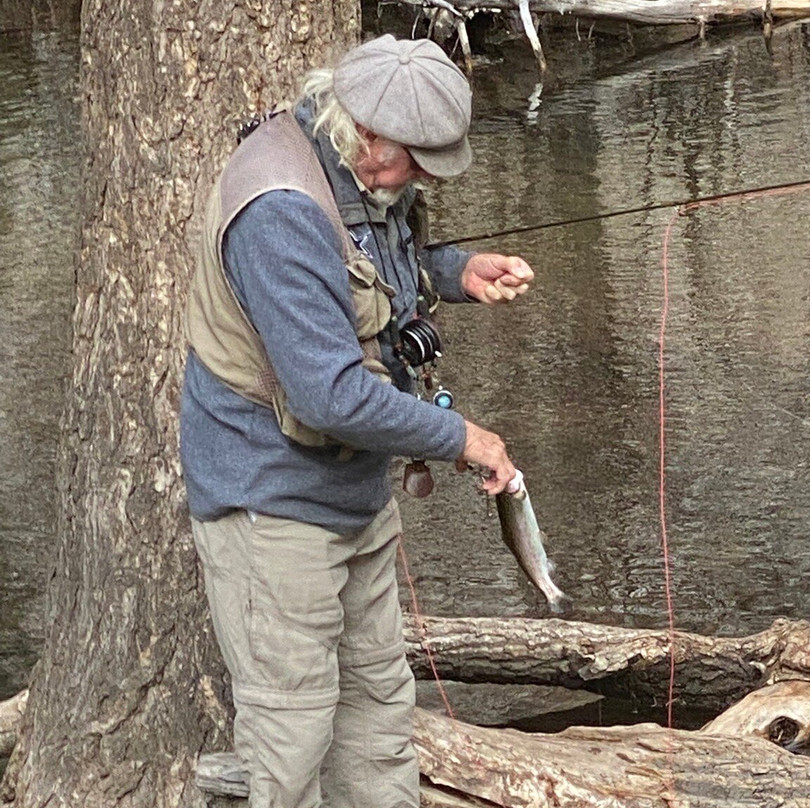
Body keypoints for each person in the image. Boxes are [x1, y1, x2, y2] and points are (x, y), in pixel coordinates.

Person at [180, 34, 533, 808]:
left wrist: (456, 272)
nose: (420, 178)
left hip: (353, 492)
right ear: (367, 133)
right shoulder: (278, 210)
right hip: (270, 502)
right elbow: (331, 396)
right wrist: (463, 439)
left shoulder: (363, 172)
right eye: (416, 159)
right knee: (293, 735)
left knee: (379, 708)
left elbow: (377, 263)